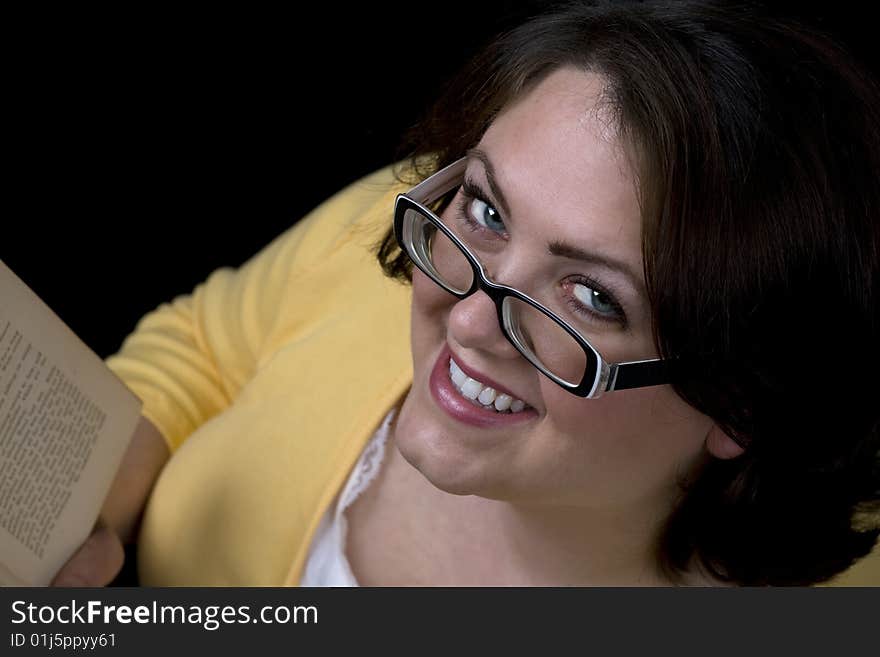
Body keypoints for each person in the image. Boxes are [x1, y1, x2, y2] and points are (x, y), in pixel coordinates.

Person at [51, 0, 879, 587]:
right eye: (488, 208)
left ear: (744, 402)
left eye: (591, 296)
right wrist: (80, 498)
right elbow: (207, 346)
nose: (470, 316)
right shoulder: (425, 228)